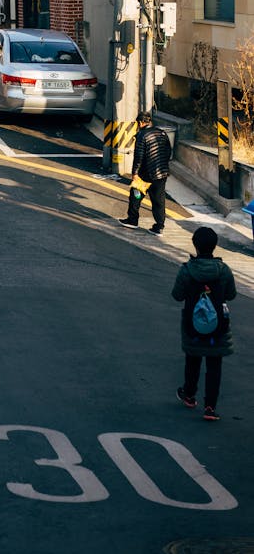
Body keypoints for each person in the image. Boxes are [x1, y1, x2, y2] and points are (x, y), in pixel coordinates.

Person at [172, 226, 236, 421]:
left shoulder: (187, 270)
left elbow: (177, 295)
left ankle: (189, 395)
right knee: (214, 364)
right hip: (218, 325)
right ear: (215, 246)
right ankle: (210, 407)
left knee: (193, 359)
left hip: (193, 323)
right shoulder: (223, 271)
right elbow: (231, 295)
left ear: (195, 245)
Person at [118, 110, 172, 233]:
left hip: (145, 174)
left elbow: (139, 157)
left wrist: (135, 173)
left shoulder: (142, 135)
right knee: (159, 200)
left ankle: (133, 220)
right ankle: (159, 227)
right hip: (162, 173)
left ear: (141, 122)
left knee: (135, 195)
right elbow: (168, 151)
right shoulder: (162, 133)